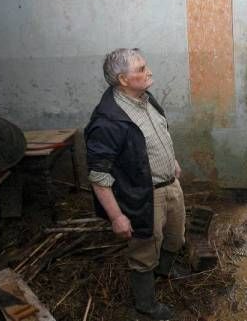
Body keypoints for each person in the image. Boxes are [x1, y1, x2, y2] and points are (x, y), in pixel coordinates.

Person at [85, 48, 185, 320]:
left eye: (145, 66)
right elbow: (98, 176)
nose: (148, 71)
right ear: (123, 80)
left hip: (170, 184)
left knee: (175, 237)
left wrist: (172, 161)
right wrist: (116, 216)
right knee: (143, 251)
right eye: (140, 69)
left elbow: (158, 134)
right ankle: (146, 304)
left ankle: (164, 271)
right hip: (143, 195)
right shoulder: (107, 121)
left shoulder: (147, 99)